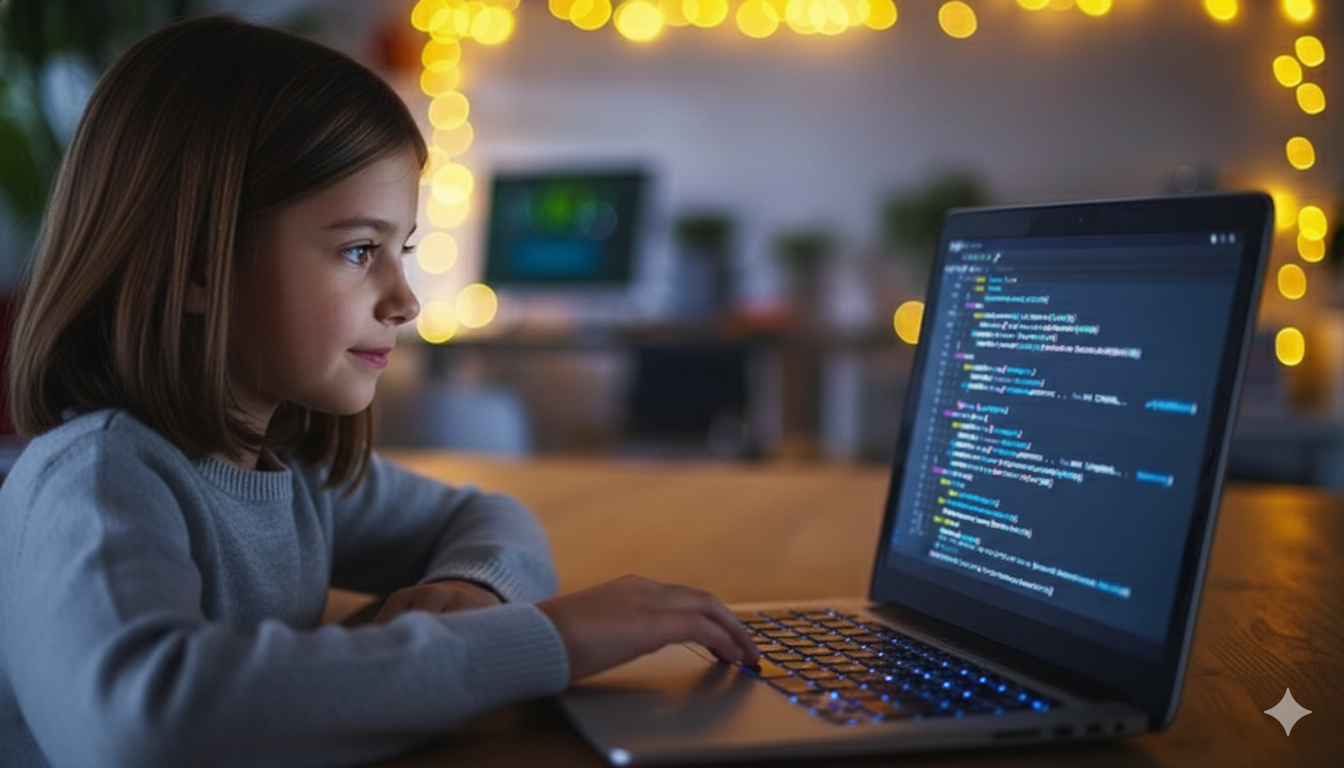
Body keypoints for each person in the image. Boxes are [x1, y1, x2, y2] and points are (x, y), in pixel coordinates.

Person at [0, 16, 758, 768]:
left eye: (402, 250)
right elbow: (149, 724)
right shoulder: (96, 482)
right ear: (198, 265)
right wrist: (547, 641)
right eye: (359, 250)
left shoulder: (287, 468)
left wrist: (472, 591)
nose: (405, 299)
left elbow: (488, 514)